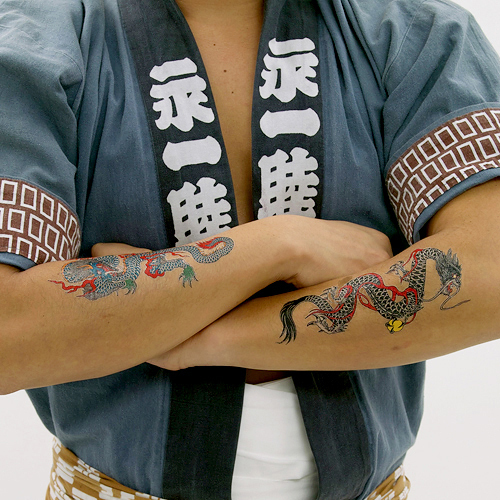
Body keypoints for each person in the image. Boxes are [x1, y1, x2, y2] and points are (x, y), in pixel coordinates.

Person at [1, 0, 500, 498]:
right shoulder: (36, 41)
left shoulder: (412, 33)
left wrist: (191, 339)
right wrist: (282, 244)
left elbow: (488, 273)